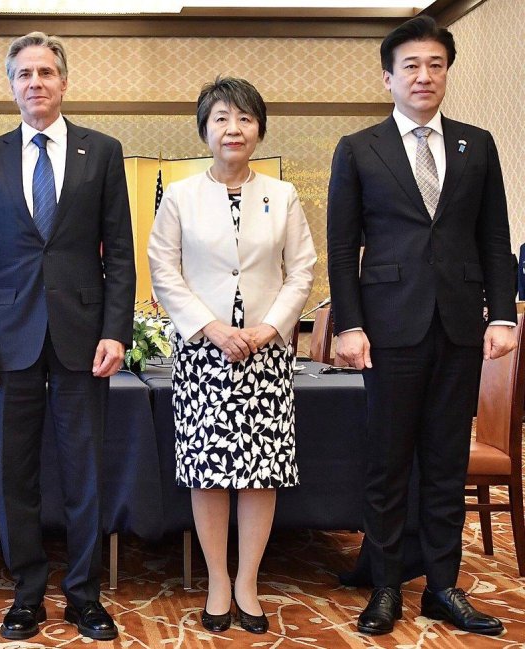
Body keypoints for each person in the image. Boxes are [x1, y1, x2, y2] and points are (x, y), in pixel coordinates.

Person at [327, 15, 516, 637]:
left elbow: (494, 238)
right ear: (388, 77)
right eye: (411, 65)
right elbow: (341, 245)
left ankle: (442, 586)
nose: (424, 75)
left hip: (461, 326)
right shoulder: (359, 148)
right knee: (387, 462)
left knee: (444, 463)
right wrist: (349, 325)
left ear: (446, 73)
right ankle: (384, 587)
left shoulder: (477, 143)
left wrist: (502, 313)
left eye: (435, 64)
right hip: (388, 329)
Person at [0, 32, 135, 642]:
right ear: (11, 86)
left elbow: (121, 257)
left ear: (64, 82)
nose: (35, 82)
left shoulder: (103, 152)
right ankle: (27, 593)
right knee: (17, 474)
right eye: (24, 74)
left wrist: (117, 330)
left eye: (46, 72)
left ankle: (85, 595)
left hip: (85, 339)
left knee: (85, 473)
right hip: (7, 343)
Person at [148, 76, 316, 635]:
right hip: (204, 352)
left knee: (260, 474)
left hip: (266, 356)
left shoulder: (282, 194)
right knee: (210, 474)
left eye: (244, 118)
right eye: (220, 118)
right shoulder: (180, 195)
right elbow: (164, 273)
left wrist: (269, 329)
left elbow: (302, 272)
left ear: (259, 129)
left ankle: (248, 580)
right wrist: (212, 328)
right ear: (204, 129)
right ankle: (218, 579)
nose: (233, 128)